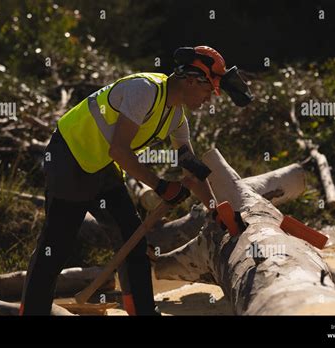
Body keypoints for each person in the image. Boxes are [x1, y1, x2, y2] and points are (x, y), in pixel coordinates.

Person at [20, 46, 238, 316]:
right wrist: (160, 186)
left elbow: (190, 167)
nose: (208, 100)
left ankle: (143, 312)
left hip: (103, 165)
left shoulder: (176, 118)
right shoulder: (144, 90)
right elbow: (119, 150)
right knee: (56, 245)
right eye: (208, 92)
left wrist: (216, 209)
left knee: (132, 242)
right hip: (69, 157)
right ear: (192, 80)